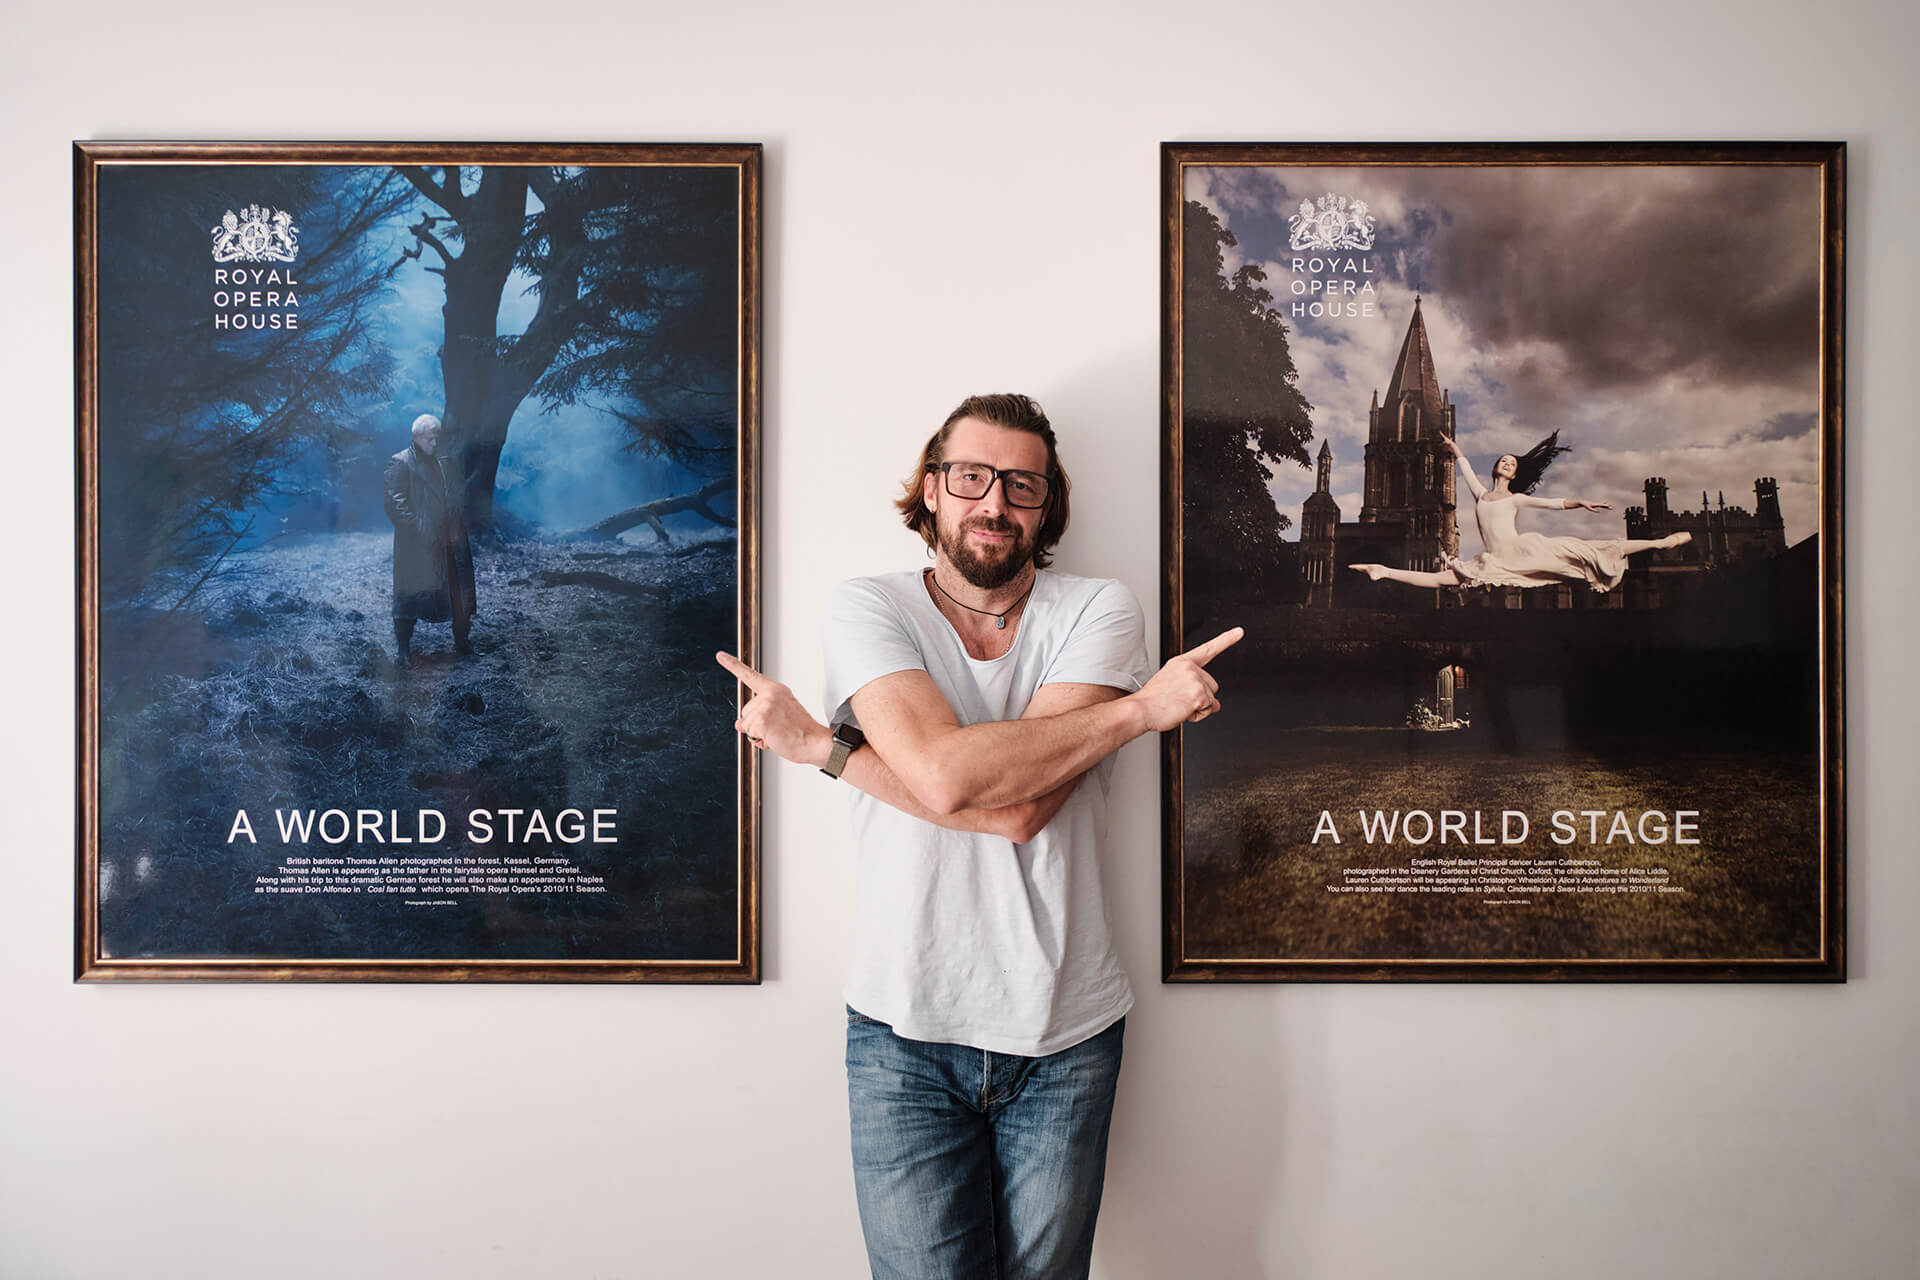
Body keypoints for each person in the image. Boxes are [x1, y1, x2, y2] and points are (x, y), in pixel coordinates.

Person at [715, 393, 1239, 1280]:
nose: (994, 502)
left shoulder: (1099, 609)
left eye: (1022, 486)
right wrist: (1140, 711)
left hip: (1065, 1030)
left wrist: (823, 750)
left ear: (1047, 507)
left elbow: (1020, 811)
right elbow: (959, 785)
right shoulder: (865, 606)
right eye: (971, 478)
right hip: (902, 1031)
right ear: (931, 490)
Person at [1350, 431, 1690, 592]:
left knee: (1593, 549)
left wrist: (1582, 502)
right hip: (1494, 559)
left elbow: (1553, 504)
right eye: (1503, 460)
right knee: (1444, 579)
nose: (1507, 463)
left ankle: (1661, 544)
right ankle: (1383, 571)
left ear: (1514, 474)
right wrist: (1454, 449)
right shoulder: (1481, 495)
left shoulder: (1515, 499)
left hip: (1527, 548)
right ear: (1497, 468)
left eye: (1512, 463)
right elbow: (1464, 469)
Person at [383, 413, 476, 667]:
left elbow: (455, 495)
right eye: (430, 439)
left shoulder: (444, 462)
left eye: (437, 438)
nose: (435, 444)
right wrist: (419, 530)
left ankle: (462, 641)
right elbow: (394, 502)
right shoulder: (400, 462)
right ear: (417, 437)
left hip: (449, 539)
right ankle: (403, 649)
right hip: (417, 545)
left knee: (458, 593)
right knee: (409, 597)